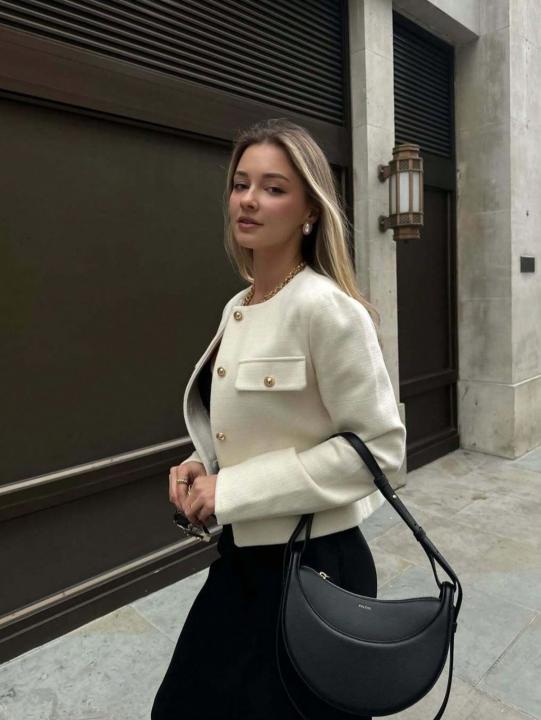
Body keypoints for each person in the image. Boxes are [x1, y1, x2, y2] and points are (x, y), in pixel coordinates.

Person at [151, 118, 406, 719]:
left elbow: (380, 451)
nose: (248, 199)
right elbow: (264, 424)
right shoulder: (238, 305)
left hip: (317, 566)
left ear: (309, 210)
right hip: (245, 561)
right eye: (241, 184)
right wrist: (202, 465)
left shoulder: (327, 309)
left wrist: (231, 489)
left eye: (273, 188)